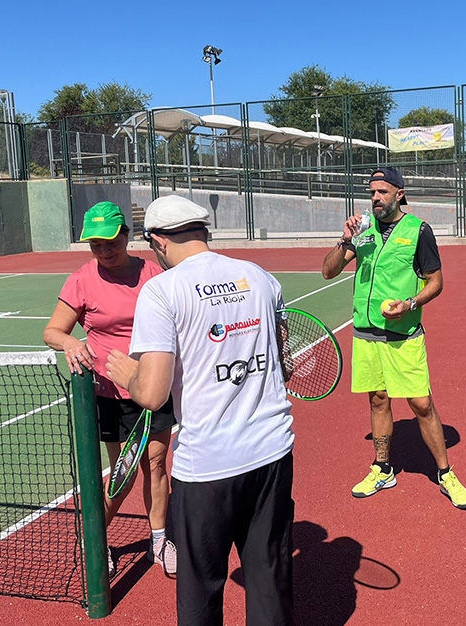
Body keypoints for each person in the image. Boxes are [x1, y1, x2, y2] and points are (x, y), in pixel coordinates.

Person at [106, 195, 295, 626]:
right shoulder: (260, 277)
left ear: (157, 242)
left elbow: (152, 396)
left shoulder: (161, 290)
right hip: (272, 451)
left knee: (200, 589)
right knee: (269, 579)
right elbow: (281, 358)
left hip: (208, 464)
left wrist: (128, 374)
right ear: (203, 231)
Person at [321, 167, 466, 510]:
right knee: (377, 399)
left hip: (403, 334)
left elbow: (436, 282)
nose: (375, 197)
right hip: (366, 331)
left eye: (382, 192)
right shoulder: (362, 230)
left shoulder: (418, 230)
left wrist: (411, 303)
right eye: (372, 192)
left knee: (421, 404)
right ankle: (382, 467)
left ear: (399, 194)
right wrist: (345, 240)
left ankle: (445, 473)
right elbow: (329, 271)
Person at [42, 201, 177, 577]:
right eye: (94, 244)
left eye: (109, 242)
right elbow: (53, 331)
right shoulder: (83, 279)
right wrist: (70, 343)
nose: (103, 250)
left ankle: (160, 541)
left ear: (126, 235)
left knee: (155, 464)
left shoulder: (153, 274)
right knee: (125, 472)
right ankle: (96, 539)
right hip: (109, 392)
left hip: (153, 383)